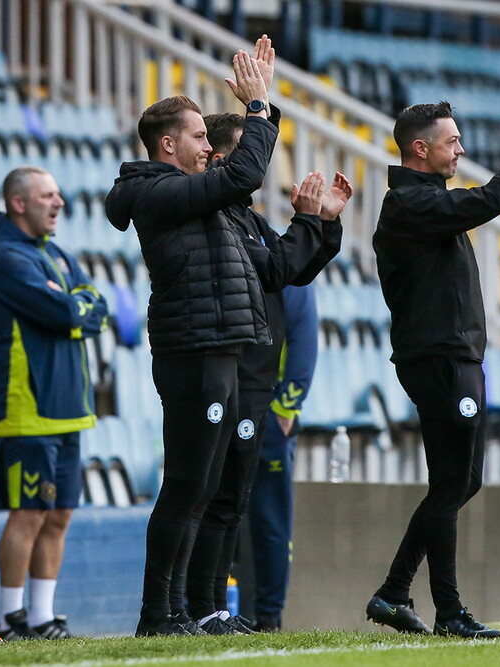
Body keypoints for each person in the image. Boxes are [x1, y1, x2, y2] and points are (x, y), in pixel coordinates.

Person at [104, 40, 283, 637]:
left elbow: (247, 199)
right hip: (195, 350)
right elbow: (245, 171)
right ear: (168, 145)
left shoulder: (195, 194)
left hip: (221, 347)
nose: (209, 146)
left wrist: (266, 110)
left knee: (203, 485)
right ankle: (159, 613)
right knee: (187, 484)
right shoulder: (159, 193)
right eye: (200, 137)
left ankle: (182, 611)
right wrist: (257, 110)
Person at [367, 102, 500, 638]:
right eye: (452, 141)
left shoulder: (424, 201)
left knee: (460, 481)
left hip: (452, 356)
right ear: (420, 149)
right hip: (439, 359)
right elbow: (490, 200)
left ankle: (393, 592)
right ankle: (448, 612)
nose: (461, 149)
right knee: (453, 482)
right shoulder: (409, 203)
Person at [181, 110, 349, 635]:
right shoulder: (213, 219)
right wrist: (307, 223)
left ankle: (216, 611)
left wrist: (321, 222)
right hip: (225, 376)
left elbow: (287, 272)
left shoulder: (249, 221)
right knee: (206, 498)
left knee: (230, 502)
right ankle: (193, 608)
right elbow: (277, 270)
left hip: (252, 384)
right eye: (249, 151)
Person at [0, 166, 109, 640]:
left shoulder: (53, 254)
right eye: (47, 196)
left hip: (68, 404)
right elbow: (64, 310)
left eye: (58, 195)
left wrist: (77, 308)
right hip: (25, 404)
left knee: (58, 514)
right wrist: (75, 309)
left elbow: (96, 303)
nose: (59, 203)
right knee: (29, 511)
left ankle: (42, 617)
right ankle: (10, 619)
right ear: (18, 203)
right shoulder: (3, 258)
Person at [247, 283, 319, 632]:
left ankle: (269, 616)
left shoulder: (288, 268)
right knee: (214, 512)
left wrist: (286, 407)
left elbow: (304, 341)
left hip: (270, 414)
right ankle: (206, 609)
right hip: (235, 404)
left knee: (270, 521)